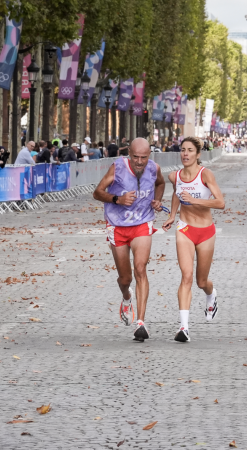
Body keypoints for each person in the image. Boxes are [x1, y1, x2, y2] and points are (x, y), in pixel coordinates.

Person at [92, 138, 166, 341]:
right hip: (117, 225)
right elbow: (97, 192)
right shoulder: (117, 167)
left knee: (140, 268)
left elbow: (161, 183)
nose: (140, 161)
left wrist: (157, 200)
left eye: (144, 157)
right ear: (129, 154)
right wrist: (118, 199)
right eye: (136, 157)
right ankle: (126, 296)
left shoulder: (154, 168)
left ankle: (141, 323)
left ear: (150, 155)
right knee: (125, 279)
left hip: (142, 223)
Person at [162, 136, 225, 342]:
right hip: (185, 229)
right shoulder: (175, 176)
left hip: (206, 231)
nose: (185, 154)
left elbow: (220, 203)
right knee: (186, 276)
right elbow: (176, 194)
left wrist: (195, 200)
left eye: (190, 150)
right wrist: (172, 215)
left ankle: (211, 294)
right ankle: (184, 328)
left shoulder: (205, 174)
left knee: (201, 281)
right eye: (183, 150)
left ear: (198, 155)